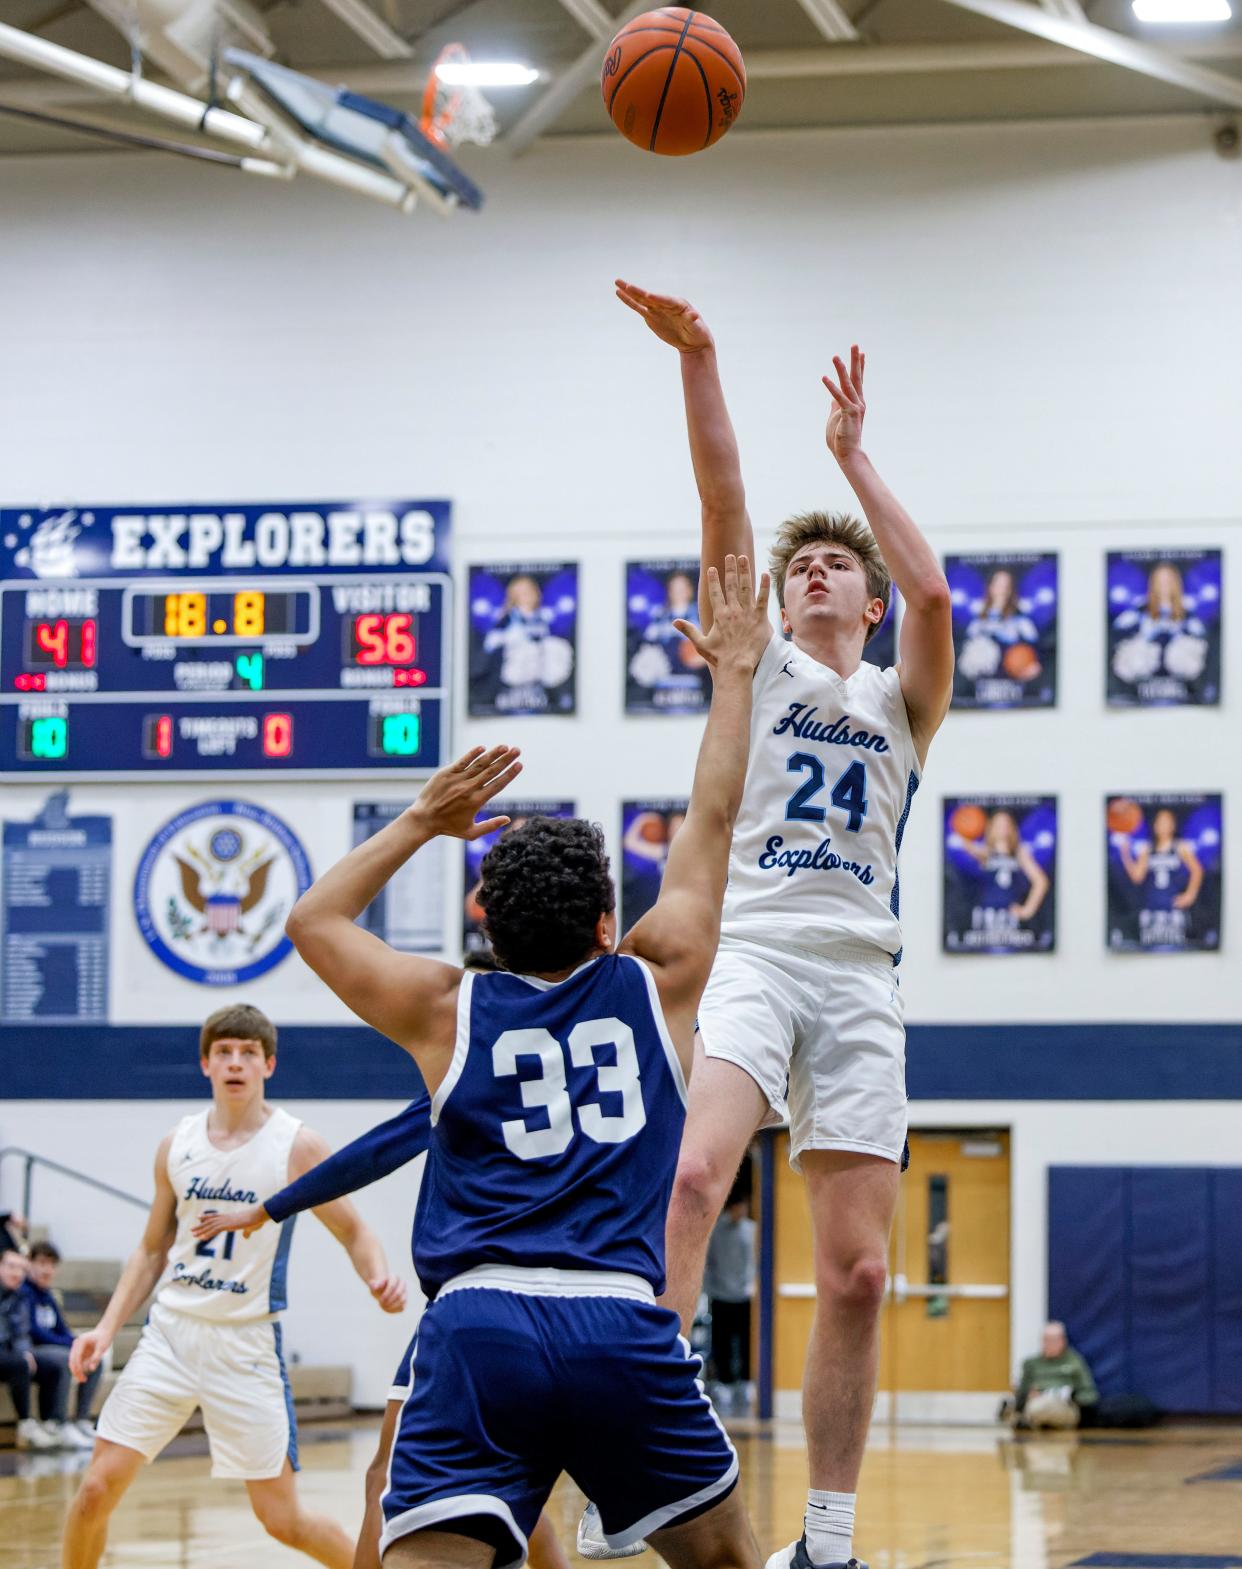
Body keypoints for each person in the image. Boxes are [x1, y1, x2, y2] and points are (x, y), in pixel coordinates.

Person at [283, 557, 771, 1569]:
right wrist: (733, 677)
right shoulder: (659, 976)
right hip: (618, 1329)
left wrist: (423, 819)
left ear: (482, 923)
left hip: (476, 1331)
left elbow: (312, 917)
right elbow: (713, 821)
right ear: (610, 924)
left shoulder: (441, 1007)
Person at [615, 281, 956, 1569]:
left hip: (861, 973)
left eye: (834, 567)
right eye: (798, 562)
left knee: (860, 1274)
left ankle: (827, 1537)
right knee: (696, 1176)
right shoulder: (754, 662)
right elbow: (722, 503)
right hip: (758, 950)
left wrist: (855, 462)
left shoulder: (901, 698)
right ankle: (649, 1442)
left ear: (859, 601)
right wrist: (700, 359)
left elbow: (933, 597)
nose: (810, 571)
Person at [191, 965, 570, 1569]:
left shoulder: (477, 1065)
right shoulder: (604, 1054)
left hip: (481, 1299)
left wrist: (268, 1208)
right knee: (506, 1478)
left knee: (390, 1476)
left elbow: (378, 1150)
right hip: (592, 1301)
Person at [61, 1003, 408, 1569]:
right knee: (95, 1490)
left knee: (283, 1521)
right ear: (205, 1065)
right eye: (224, 1052)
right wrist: (104, 1328)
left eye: (249, 1052)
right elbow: (152, 1248)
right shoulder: (176, 1144)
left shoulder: (296, 1145)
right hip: (170, 1336)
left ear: (269, 1064)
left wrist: (377, 1276)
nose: (236, 1062)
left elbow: (354, 1230)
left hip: (246, 1346)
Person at [22, 1241, 97, 1448]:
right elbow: (34, 1332)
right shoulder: (24, 1292)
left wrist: (78, 1343)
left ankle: (81, 1420)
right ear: (29, 1264)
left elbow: (62, 1329)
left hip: (50, 1348)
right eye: (42, 1263)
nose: (47, 1269)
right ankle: (57, 1423)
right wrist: (69, 1345)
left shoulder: (48, 1296)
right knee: (65, 1357)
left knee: (92, 1356)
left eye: (51, 1264)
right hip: (30, 1349)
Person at [2, 1246, 67, 1451]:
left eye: (21, 1269)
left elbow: (21, 1332)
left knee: (52, 1366)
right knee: (20, 1363)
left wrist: (24, 1352)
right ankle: (25, 1425)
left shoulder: (20, 1295)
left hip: (9, 1351)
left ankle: (51, 1425)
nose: (16, 1273)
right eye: (11, 1267)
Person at [704, 1188, 756, 1416]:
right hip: (721, 1293)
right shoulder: (716, 1231)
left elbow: (753, 1263)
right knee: (722, 1340)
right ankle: (723, 1383)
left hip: (745, 1295)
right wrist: (710, 1289)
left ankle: (744, 1382)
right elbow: (709, 1262)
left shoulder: (751, 1230)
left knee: (746, 1340)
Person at [1011, 1322, 1098, 1430]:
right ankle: (1025, 1418)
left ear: (1062, 1341)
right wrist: (1026, 1394)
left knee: (1039, 1408)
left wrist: (1071, 1396)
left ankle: (1027, 1420)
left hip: (1064, 1406)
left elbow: (1090, 1394)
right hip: (1035, 1401)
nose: (1048, 1343)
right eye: (1045, 1340)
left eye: (1053, 1340)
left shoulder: (1074, 1361)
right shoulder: (1030, 1364)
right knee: (1031, 1406)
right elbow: (1022, 1392)